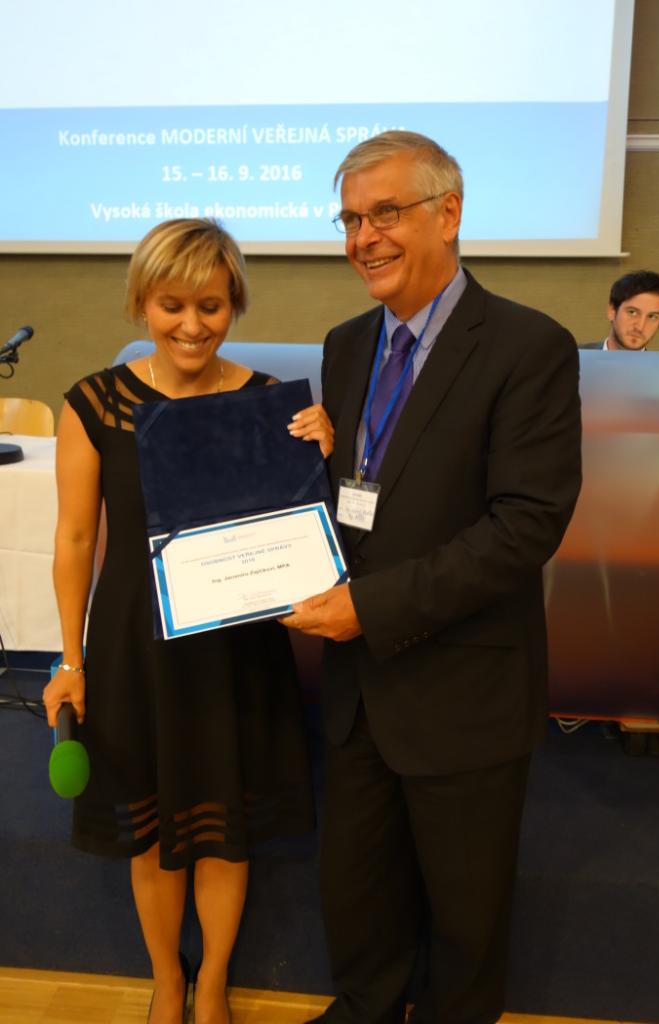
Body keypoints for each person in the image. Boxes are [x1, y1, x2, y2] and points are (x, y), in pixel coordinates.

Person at [282, 131, 582, 1024]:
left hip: (463, 690)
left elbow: (523, 526)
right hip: (359, 693)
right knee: (359, 902)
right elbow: (364, 495)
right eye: (349, 219)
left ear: (448, 213)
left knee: (463, 920)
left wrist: (368, 608)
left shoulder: (527, 346)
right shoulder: (344, 346)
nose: (362, 238)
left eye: (385, 213)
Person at [42, 218, 333, 1024]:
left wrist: (321, 453)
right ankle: (167, 982)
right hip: (134, 648)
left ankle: (212, 988)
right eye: (172, 305)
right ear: (141, 302)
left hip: (236, 649)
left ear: (233, 305)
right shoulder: (94, 402)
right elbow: (73, 540)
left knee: (222, 829)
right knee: (152, 831)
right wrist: (71, 660)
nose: (192, 325)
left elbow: (299, 531)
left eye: (211, 305)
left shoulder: (267, 403)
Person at [581, 270, 659, 350]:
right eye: (632, 312)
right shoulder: (576, 358)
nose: (640, 327)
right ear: (612, 311)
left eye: (652, 317)